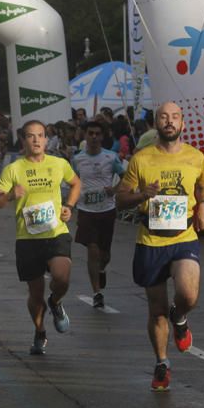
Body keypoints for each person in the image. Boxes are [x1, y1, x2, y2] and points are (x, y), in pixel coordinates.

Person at [115, 101, 204, 391]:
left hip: (183, 237)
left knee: (188, 294)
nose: (169, 121)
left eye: (175, 117)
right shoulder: (141, 159)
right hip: (151, 239)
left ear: (183, 123)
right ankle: (162, 362)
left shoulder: (195, 157)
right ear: (157, 123)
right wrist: (141, 195)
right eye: (163, 117)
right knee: (156, 309)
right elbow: (121, 198)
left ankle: (180, 316)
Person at [0, 120, 82, 355]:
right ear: (24, 140)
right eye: (31, 136)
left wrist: (69, 206)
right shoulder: (14, 169)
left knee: (61, 277)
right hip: (28, 237)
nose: (36, 140)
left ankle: (56, 302)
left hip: (55, 232)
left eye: (40, 135)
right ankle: (40, 331)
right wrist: (11, 195)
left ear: (46, 139)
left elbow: (75, 183)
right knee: (35, 292)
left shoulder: (59, 163)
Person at [72, 121, 125, 308]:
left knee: (105, 253)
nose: (94, 137)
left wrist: (116, 189)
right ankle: (97, 292)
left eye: (97, 134)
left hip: (107, 210)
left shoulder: (111, 157)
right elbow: (72, 181)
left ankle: (102, 269)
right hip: (86, 211)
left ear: (102, 137)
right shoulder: (77, 159)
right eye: (90, 133)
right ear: (85, 135)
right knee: (92, 249)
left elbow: (126, 176)